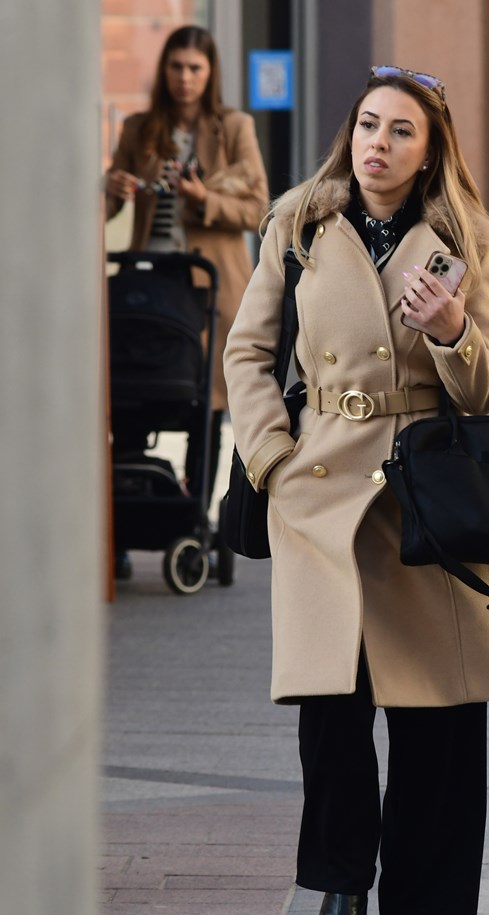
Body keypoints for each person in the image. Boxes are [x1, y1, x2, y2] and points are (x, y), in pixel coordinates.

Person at [223, 65, 489, 915]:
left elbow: (485, 390)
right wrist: (271, 458)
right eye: (368, 124)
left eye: (401, 130)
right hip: (320, 494)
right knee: (330, 715)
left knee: (437, 724)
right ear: (349, 133)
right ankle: (339, 894)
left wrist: (450, 330)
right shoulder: (298, 222)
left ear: (429, 149)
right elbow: (247, 351)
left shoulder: (463, 239)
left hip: (426, 500)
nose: (378, 144)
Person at [106, 24, 269, 577]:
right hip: (149, 283)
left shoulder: (233, 128)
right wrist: (113, 189)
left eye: (195, 68)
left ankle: (193, 522)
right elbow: (110, 205)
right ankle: (126, 522)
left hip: (208, 288)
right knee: (134, 395)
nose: (184, 78)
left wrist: (204, 199)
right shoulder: (139, 128)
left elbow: (258, 209)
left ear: (210, 72)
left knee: (207, 403)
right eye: (176, 67)